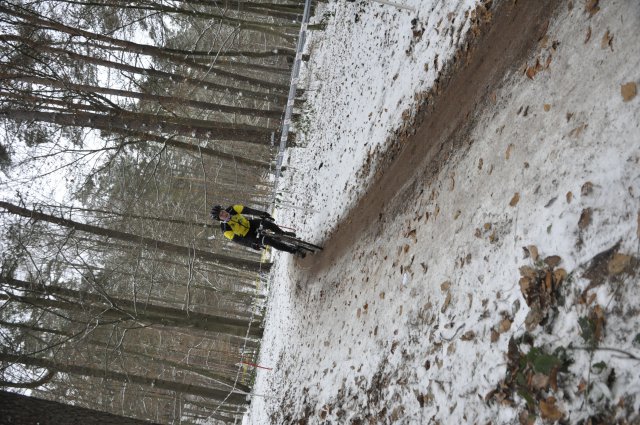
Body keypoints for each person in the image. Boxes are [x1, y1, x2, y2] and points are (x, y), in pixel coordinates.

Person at [210, 204, 305, 258]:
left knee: (267, 224)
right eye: (221, 215)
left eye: (222, 211)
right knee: (270, 241)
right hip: (248, 236)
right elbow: (238, 240)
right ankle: (293, 251)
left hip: (250, 224)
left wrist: (262, 213)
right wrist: (251, 245)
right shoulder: (225, 229)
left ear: (223, 209)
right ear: (220, 219)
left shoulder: (232, 209)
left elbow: (248, 210)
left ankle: (282, 233)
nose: (224, 214)